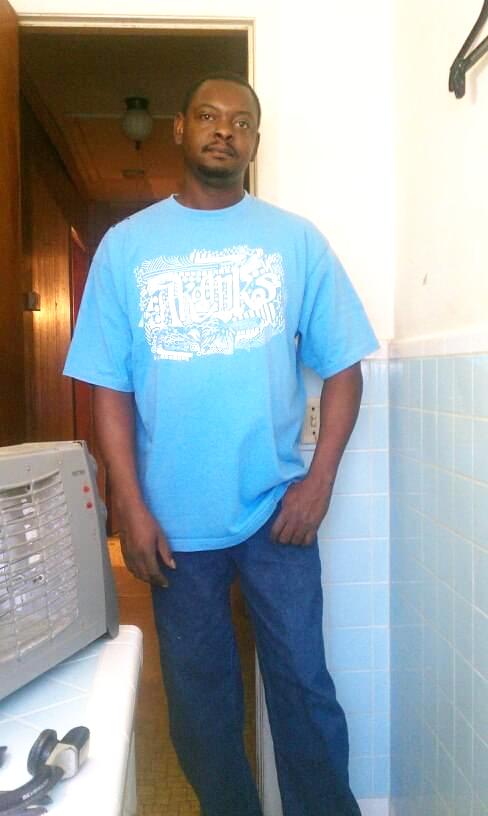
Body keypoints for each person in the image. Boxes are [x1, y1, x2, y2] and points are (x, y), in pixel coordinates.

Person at [64, 72, 378, 816]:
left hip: (277, 513)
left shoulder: (296, 241)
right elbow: (109, 388)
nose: (223, 131)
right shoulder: (126, 248)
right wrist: (129, 507)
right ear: (179, 128)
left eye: (241, 122)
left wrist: (319, 483)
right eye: (208, 116)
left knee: (305, 692)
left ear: (255, 142)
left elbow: (345, 369)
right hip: (173, 526)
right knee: (201, 706)